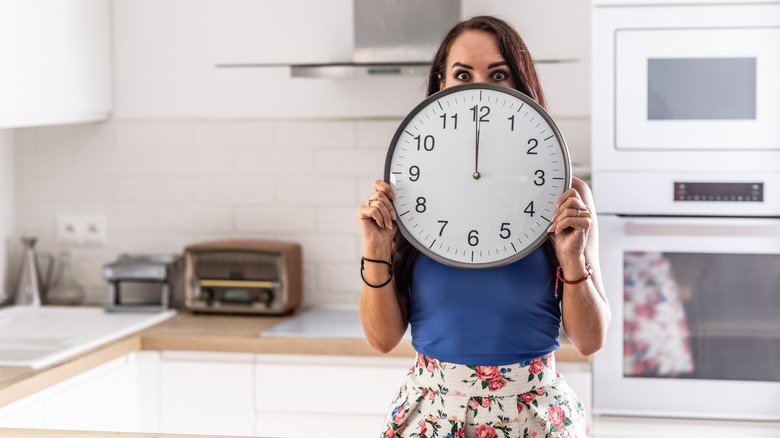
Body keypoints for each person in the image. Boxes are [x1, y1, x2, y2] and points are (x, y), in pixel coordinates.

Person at [356, 15, 611, 438]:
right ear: (441, 84)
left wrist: (571, 257)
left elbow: (590, 341)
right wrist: (376, 247)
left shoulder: (566, 197)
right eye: (463, 75)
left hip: (534, 418)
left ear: (520, 84)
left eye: (498, 74)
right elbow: (382, 340)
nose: (479, 91)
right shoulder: (408, 197)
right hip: (431, 417)